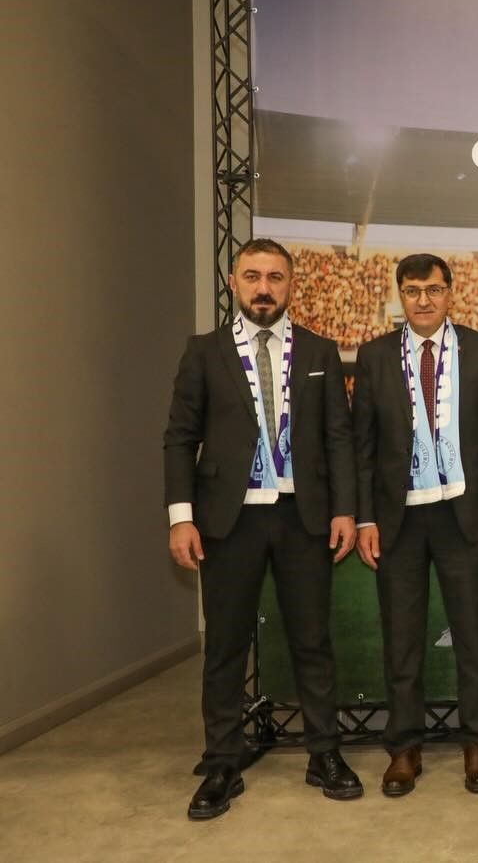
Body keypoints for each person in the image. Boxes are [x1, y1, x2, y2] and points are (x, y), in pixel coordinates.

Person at [163, 238, 362, 820]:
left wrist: (345, 509)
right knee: (226, 643)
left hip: (304, 516)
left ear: (291, 284)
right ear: (235, 283)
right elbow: (180, 438)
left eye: (275, 277)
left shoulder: (320, 351)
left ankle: (324, 753)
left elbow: (339, 437)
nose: (264, 288)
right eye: (253, 276)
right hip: (229, 519)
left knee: (312, 640)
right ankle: (223, 762)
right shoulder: (204, 352)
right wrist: (181, 517)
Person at [351, 254, 478, 797]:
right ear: (400, 295)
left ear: (449, 294)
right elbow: (363, 446)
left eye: (433, 289)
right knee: (402, 639)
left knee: (473, 637)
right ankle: (403, 747)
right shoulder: (374, 356)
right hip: (398, 518)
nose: (423, 300)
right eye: (413, 290)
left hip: (465, 513)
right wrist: (365, 516)